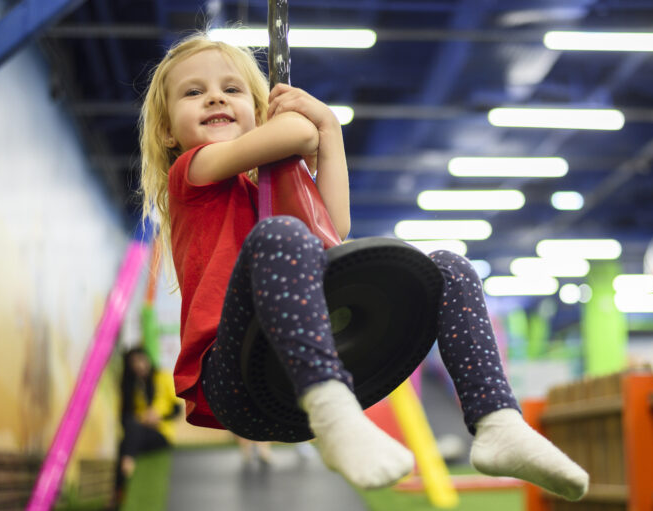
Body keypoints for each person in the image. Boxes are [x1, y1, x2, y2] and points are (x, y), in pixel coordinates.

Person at [138, 32, 589, 498]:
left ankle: (497, 421)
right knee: (278, 236)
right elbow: (293, 135)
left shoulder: (266, 194)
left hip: (290, 377)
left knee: (449, 268)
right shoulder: (192, 173)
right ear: (168, 131)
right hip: (235, 378)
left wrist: (329, 132)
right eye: (194, 92)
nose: (214, 97)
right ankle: (334, 414)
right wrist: (300, 125)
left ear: (254, 110)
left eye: (232, 90)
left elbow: (333, 228)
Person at [115, 347, 182, 503]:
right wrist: (142, 418)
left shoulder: (163, 377)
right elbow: (125, 418)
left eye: (141, 360)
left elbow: (177, 410)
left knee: (127, 441)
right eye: (134, 362)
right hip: (139, 432)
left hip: (162, 433)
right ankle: (119, 490)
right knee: (130, 432)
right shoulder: (131, 386)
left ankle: (125, 469)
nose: (139, 365)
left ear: (147, 360)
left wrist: (159, 417)